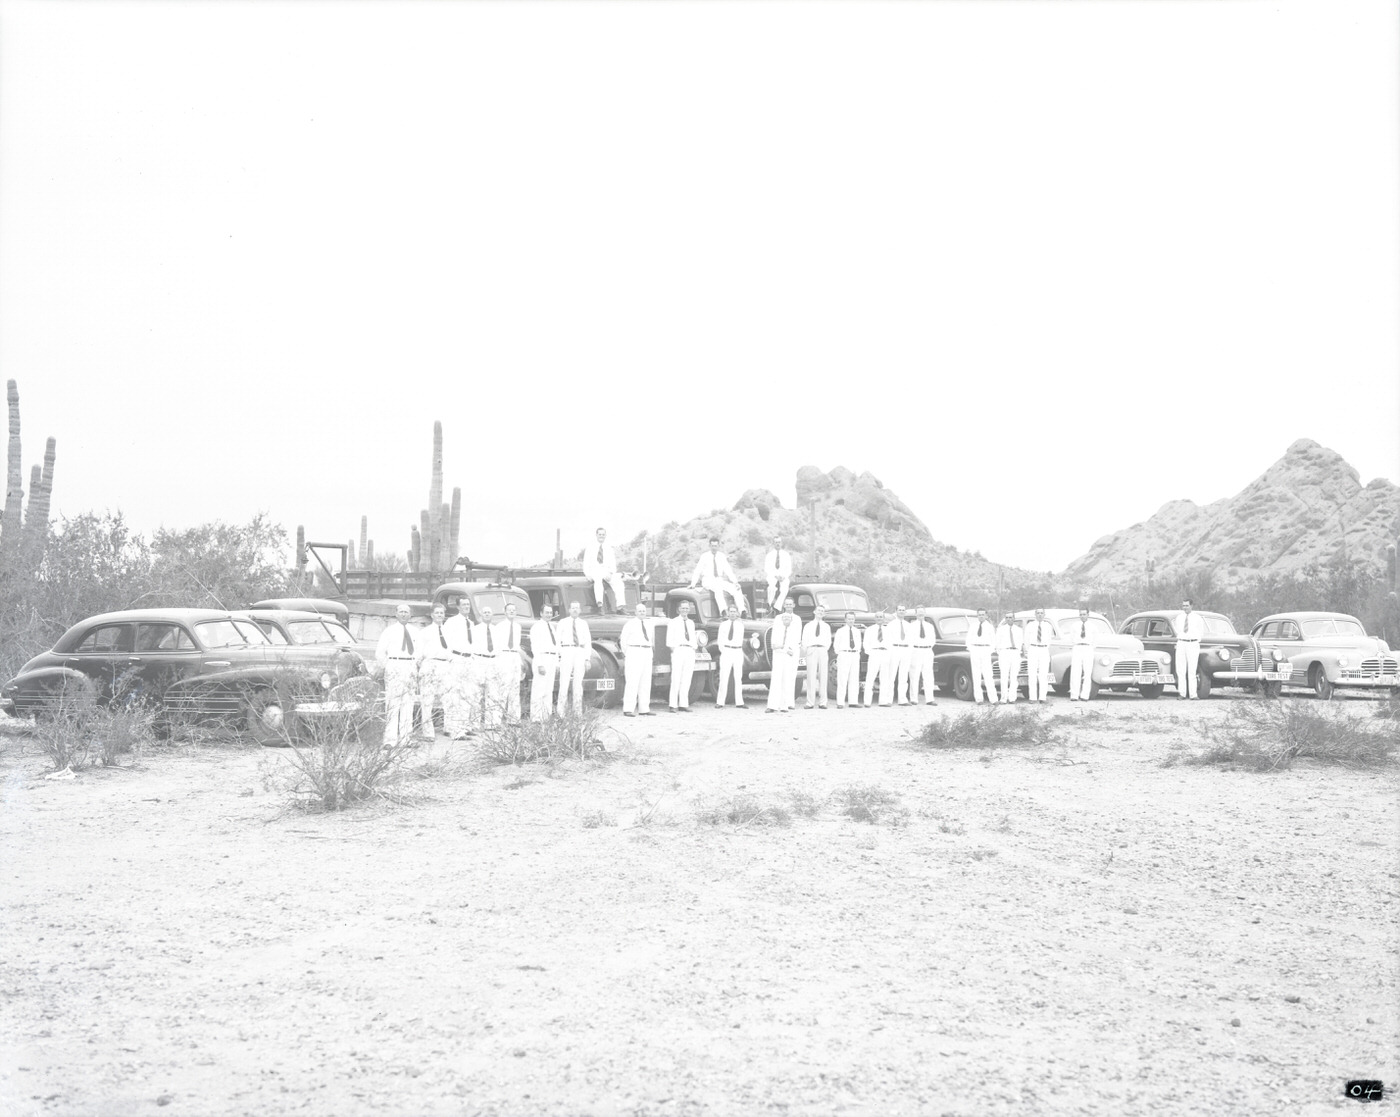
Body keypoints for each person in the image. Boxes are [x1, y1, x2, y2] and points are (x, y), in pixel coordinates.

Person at [375, 604, 420, 748]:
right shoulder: (389, 631)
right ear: (396, 614)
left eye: (406, 612)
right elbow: (380, 653)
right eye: (401, 612)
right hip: (394, 666)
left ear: (410, 615)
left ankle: (406, 738)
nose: (404, 614)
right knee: (393, 704)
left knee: (408, 703)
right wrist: (388, 667)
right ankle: (390, 740)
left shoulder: (415, 631)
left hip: (410, 667)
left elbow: (419, 651)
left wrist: (414, 664)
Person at [415, 603, 454, 741]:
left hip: (445, 666)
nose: (439, 615)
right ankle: (428, 732)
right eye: (437, 613)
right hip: (430, 664)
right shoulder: (424, 632)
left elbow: (451, 651)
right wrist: (422, 668)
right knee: (427, 700)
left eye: (442, 613)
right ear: (432, 615)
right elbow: (418, 653)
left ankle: (448, 728)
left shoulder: (449, 631)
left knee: (449, 699)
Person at [443, 597, 478, 737]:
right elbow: (445, 642)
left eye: (468, 604)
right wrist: (450, 658)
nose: (466, 607)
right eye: (463, 604)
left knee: (467, 694)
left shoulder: (471, 623)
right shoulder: (451, 622)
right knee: (454, 695)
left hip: (468, 660)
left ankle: (463, 727)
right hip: (456, 659)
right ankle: (452, 728)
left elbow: (473, 643)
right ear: (458, 607)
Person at [688, 537, 747, 616]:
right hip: (708, 580)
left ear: (718, 546)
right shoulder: (704, 556)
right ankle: (723, 611)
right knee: (718, 589)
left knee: (736, 589)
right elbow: (697, 570)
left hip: (719, 579)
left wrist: (735, 582)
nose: (714, 548)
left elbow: (728, 570)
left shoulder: (721, 556)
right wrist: (693, 584)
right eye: (712, 546)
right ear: (709, 545)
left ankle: (742, 610)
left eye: (715, 546)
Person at [556, 601, 592, 716]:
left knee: (578, 683)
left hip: (579, 651)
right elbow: (557, 640)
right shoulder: (563, 622)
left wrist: (587, 658)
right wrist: (559, 656)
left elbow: (588, 642)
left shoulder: (583, 623)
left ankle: (577, 712)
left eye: (577, 608)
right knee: (564, 682)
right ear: (569, 610)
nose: (575, 610)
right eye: (573, 608)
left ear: (580, 610)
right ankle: (561, 712)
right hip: (567, 650)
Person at [492, 602, 525, 724]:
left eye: (514, 610)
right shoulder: (499, 626)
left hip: (514, 655)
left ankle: (514, 720)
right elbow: (496, 645)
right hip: (504, 656)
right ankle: (497, 720)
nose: (511, 612)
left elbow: (517, 645)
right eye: (509, 610)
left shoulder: (518, 627)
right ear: (505, 612)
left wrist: (520, 662)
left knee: (515, 688)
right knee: (503, 688)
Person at [767, 597, 802, 712]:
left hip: (790, 653)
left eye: (790, 604)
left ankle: (786, 704)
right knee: (776, 678)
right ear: (784, 606)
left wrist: (790, 649)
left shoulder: (797, 619)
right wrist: (778, 646)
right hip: (778, 653)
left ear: (794, 605)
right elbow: (774, 637)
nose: (788, 606)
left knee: (789, 677)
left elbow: (797, 638)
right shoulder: (778, 618)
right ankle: (772, 705)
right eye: (786, 604)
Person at [582, 527, 627, 615]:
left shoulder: (609, 547)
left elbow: (613, 562)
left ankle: (620, 607)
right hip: (594, 570)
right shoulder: (590, 547)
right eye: (600, 534)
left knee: (619, 582)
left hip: (606, 570)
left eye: (603, 534)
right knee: (598, 581)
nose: (601, 536)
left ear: (605, 535)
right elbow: (586, 562)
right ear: (596, 535)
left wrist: (611, 573)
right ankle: (600, 605)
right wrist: (587, 574)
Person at [620, 603, 655, 717]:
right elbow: (623, 641)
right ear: (635, 612)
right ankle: (628, 709)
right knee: (632, 680)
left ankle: (644, 708)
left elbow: (652, 640)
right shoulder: (630, 624)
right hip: (634, 651)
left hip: (647, 651)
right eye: (640, 611)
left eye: (644, 611)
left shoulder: (649, 624)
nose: (642, 613)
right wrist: (629, 653)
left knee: (645, 681)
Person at [528, 604, 560, 720]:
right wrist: (540, 664)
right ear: (541, 613)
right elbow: (535, 647)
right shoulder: (536, 627)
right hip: (542, 659)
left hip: (551, 659)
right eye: (546, 612)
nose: (549, 615)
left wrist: (556, 663)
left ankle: (546, 716)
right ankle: (536, 717)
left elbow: (555, 647)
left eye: (550, 613)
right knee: (539, 690)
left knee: (548, 690)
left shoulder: (552, 627)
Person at [667, 601, 700, 712]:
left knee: (687, 678)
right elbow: (669, 639)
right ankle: (673, 704)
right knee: (676, 678)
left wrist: (693, 648)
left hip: (689, 650)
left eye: (687, 608)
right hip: (678, 650)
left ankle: (683, 703)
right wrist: (674, 650)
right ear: (679, 609)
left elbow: (693, 638)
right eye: (683, 608)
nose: (685, 610)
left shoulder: (691, 623)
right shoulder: (673, 622)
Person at [473, 605, 501, 726]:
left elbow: (500, 648)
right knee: (477, 693)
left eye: (489, 612)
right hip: (480, 660)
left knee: (493, 693)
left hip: (493, 661)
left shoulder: (496, 630)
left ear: (492, 615)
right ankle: (475, 723)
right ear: (481, 615)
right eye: (484, 612)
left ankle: (491, 723)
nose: (487, 614)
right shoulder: (476, 629)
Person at [715, 603, 747, 709]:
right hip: (727, 651)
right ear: (728, 613)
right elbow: (720, 640)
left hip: (737, 651)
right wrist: (724, 650)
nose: (732, 613)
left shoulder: (740, 625)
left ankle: (739, 702)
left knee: (738, 677)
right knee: (724, 676)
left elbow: (740, 639)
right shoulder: (723, 625)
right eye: (731, 611)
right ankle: (720, 702)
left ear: (737, 613)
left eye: (734, 611)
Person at [802, 604, 832, 709]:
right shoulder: (808, 625)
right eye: (818, 610)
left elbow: (829, 640)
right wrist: (807, 650)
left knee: (823, 676)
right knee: (811, 676)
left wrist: (824, 649)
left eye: (822, 611)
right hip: (811, 649)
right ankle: (810, 702)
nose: (820, 612)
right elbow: (804, 639)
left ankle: (823, 702)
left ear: (824, 614)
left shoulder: (826, 626)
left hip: (822, 650)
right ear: (814, 612)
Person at [965, 609, 997, 704]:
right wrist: (971, 649)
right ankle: (979, 699)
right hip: (975, 650)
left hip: (985, 650)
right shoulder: (973, 626)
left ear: (986, 616)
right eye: (979, 615)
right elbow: (968, 639)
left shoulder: (990, 627)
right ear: (977, 616)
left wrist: (990, 651)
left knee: (988, 675)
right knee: (976, 675)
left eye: (983, 615)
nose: (981, 616)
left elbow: (993, 641)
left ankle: (993, 699)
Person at [1174, 599, 1205, 700]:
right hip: (1181, 643)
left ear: (1191, 606)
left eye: (1187, 606)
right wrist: (1181, 639)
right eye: (1183, 606)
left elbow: (1201, 631)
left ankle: (1193, 694)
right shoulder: (1179, 617)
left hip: (1193, 643)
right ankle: (1182, 693)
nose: (1185, 608)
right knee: (1181, 670)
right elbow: (1177, 630)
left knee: (1192, 670)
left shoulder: (1197, 618)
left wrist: (1195, 640)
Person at [863, 611, 894, 707]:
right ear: (875, 618)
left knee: (884, 678)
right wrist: (871, 652)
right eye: (877, 617)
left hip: (885, 653)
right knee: (870, 677)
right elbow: (865, 643)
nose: (879, 618)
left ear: (884, 618)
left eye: (881, 617)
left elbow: (891, 643)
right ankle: (867, 701)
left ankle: (883, 701)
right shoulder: (869, 629)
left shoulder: (888, 630)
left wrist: (888, 653)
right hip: (874, 653)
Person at [1023, 608, 1054, 704]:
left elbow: (1049, 640)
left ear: (1044, 614)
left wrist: (1044, 647)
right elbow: (1026, 640)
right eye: (1038, 613)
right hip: (1033, 649)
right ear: (1035, 614)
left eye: (1041, 613)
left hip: (1044, 649)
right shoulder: (1030, 625)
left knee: (1043, 675)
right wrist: (1029, 650)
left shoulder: (1048, 626)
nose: (1040, 615)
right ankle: (1032, 697)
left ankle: (1042, 697)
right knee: (1032, 674)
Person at [909, 607, 938, 706]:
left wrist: (927, 647)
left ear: (925, 613)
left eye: (922, 612)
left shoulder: (929, 626)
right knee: (914, 675)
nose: (920, 614)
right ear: (916, 614)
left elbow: (933, 639)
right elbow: (909, 640)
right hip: (916, 651)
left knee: (929, 676)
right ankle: (914, 698)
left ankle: (930, 699)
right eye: (918, 612)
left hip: (927, 651)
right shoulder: (911, 626)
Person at [833, 610, 862, 708]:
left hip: (854, 655)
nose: (851, 621)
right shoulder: (840, 631)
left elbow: (859, 643)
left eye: (852, 619)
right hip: (844, 654)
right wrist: (840, 654)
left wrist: (857, 652)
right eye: (849, 619)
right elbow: (836, 645)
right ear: (845, 619)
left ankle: (853, 701)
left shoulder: (857, 631)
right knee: (842, 678)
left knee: (854, 678)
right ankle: (840, 702)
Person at [994, 611, 1023, 704]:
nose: (1009, 619)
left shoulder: (1019, 630)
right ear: (1005, 619)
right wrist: (1001, 652)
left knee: (1014, 677)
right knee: (1004, 676)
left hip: (1015, 653)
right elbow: (997, 643)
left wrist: (1018, 651)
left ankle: (1012, 698)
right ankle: (1003, 698)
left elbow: (1020, 642)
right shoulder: (1000, 629)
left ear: (1014, 618)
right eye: (1007, 617)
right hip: (1004, 652)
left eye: (1011, 617)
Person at [1069, 605, 1096, 702]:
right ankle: (1074, 695)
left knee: (1087, 673)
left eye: (1084, 614)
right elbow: (1072, 638)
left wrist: (1090, 648)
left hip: (1088, 648)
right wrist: (1077, 645)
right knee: (1075, 672)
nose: (1082, 616)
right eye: (1081, 614)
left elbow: (1095, 640)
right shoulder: (1075, 625)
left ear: (1088, 614)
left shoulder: (1093, 626)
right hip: (1077, 647)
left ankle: (1085, 695)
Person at [763, 536, 793, 614]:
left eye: (779, 542)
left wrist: (784, 576)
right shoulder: (769, 555)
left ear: (781, 543)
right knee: (771, 588)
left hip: (783, 576)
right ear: (773, 543)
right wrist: (775, 575)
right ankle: (769, 605)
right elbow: (767, 569)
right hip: (772, 575)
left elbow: (789, 569)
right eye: (776, 542)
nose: (778, 544)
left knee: (784, 589)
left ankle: (777, 606)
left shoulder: (786, 555)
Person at [890, 609, 913, 705]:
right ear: (896, 611)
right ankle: (888, 699)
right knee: (891, 676)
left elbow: (911, 639)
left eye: (903, 610)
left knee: (903, 676)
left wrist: (909, 652)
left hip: (905, 650)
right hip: (894, 649)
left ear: (905, 612)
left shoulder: (908, 625)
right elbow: (888, 639)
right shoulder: (891, 624)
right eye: (899, 610)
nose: (901, 612)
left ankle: (902, 699)